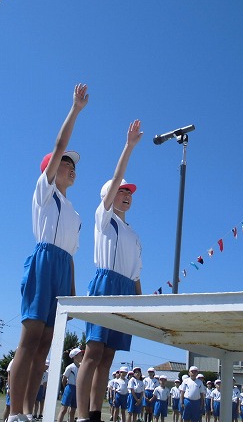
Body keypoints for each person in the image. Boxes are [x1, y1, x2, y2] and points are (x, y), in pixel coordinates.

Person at [8, 83, 89, 422]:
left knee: (45, 345)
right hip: (43, 262)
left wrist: (70, 290)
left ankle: (28, 411)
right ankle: (15, 412)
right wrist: (75, 109)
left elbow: (70, 255)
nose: (72, 167)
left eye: (73, 164)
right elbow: (59, 145)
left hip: (63, 269)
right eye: (66, 163)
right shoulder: (45, 193)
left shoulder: (75, 213)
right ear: (53, 169)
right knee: (29, 340)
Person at [76, 119, 144, 422]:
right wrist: (129, 146)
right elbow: (117, 176)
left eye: (129, 192)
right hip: (105, 284)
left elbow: (137, 275)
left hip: (126, 291)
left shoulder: (134, 236)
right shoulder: (103, 218)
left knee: (108, 356)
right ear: (110, 194)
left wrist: (141, 306)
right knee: (92, 353)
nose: (126, 195)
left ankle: (94, 413)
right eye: (121, 191)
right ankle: (80, 414)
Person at [58, 348, 84, 422]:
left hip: (77, 389)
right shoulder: (70, 367)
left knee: (73, 410)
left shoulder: (82, 367)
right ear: (75, 357)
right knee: (64, 409)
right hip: (69, 388)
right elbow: (64, 379)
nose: (82, 355)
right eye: (80, 354)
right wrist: (65, 388)